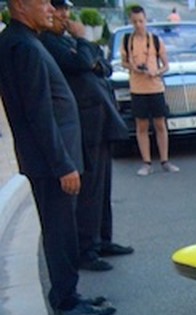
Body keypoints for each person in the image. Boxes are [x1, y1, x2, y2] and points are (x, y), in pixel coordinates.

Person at [0, 0, 115, 315]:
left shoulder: (23, 41)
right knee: (61, 232)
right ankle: (66, 301)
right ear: (20, 6)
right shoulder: (23, 46)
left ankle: (69, 294)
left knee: (62, 230)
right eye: (43, 3)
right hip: (52, 163)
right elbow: (39, 114)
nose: (50, 9)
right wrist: (63, 164)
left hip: (50, 159)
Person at [41, 0, 134, 272]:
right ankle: (87, 247)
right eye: (59, 10)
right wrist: (83, 42)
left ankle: (103, 238)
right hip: (84, 125)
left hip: (101, 120)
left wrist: (87, 53)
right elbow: (83, 62)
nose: (64, 15)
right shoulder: (50, 43)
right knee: (90, 190)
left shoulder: (67, 40)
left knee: (103, 187)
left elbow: (102, 66)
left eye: (66, 10)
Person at [123, 5, 178, 175]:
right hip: (138, 89)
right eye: (135, 22)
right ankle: (146, 162)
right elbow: (124, 62)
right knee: (142, 126)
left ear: (145, 20)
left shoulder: (155, 40)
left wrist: (156, 72)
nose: (138, 25)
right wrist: (132, 67)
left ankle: (165, 160)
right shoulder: (127, 41)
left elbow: (166, 65)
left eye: (141, 21)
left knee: (160, 124)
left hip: (155, 87)